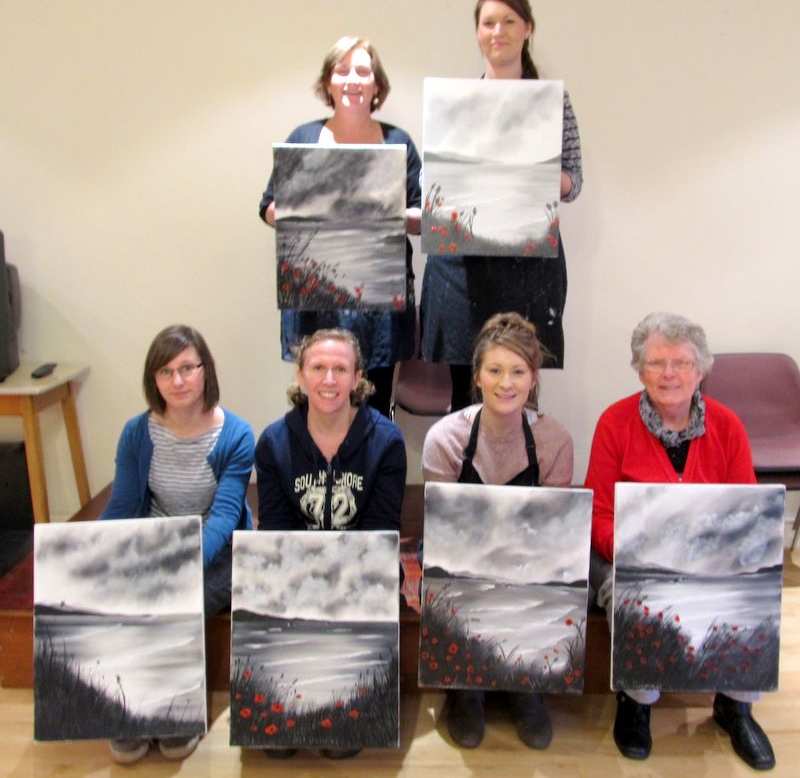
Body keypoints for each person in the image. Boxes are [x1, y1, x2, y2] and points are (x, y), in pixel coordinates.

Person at [584, 312, 776, 771]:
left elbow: (747, 512)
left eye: (682, 363)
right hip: (630, 556)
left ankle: (735, 705)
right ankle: (637, 701)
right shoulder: (614, 422)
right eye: (656, 363)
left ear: (701, 369)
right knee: (628, 592)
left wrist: (710, 558)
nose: (669, 373)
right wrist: (642, 552)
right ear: (639, 369)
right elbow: (598, 514)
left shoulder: (728, 426)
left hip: (710, 559)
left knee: (754, 592)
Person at [420, 0, 583, 412]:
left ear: (527, 28)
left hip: (526, 265)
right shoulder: (455, 104)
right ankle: (467, 482)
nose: (498, 31)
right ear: (477, 32)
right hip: (460, 271)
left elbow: (572, 180)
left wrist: (529, 174)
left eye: (509, 21)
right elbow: (436, 181)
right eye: (488, 22)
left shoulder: (552, 102)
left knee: (519, 393)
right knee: (465, 394)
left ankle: (519, 479)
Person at [101, 324, 255, 765]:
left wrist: (180, 565)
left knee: (178, 597)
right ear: (154, 380)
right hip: (155, 542)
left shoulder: (236, 434)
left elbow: (225, 516)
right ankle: (131, 709)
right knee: (123, 594)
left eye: (187, 367)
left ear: (205, 370)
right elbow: (124, 505)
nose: (179, 380)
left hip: (215, 550)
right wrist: (91, 550)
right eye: (166, 372)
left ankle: (177, 709)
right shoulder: (137, 433)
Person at [422, 312, 573, 749]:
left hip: (528, 560)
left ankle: (526, 684)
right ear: (477, 377)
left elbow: (553, 533)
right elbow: (441, 531)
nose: (506, 383)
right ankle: (467, 688)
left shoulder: (555, 440)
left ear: (533, 379)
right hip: (462, 559)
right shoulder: (445, 438)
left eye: (518, 372)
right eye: (495, 370)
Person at [255, 328, 406, 759]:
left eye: (341, 369)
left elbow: (380, 534)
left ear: (358, 378)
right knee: (278, 745)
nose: (329, 379)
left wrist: (335, 586)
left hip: (362, 574)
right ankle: (293, 694)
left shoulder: (386, 441)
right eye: (318, 367)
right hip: (296, 573)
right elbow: (277, 536)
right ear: (300, 376)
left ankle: (345, 696)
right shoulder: (273, 442)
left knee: (341, 741)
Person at [259, 36, 422, 418]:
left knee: (375, 408)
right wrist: (306, 211)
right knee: (317, 405)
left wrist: (385, 210)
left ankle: (370, 478)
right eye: (342, 70)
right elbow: (268, 207)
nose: (352, 79)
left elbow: (421, 218)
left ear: (376, 85)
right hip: (316, 297)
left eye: (363, 71)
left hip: (380, 303)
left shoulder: (398, 142)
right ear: (328, 82)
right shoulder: (303, 138)